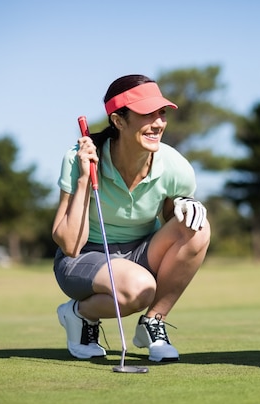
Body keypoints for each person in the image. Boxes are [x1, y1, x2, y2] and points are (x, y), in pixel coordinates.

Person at [52, 74, 210, 362]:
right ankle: (77, 313)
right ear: (118, 120)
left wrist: (183, 206)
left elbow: (170, 223)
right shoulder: (77, 157)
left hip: (139, 254)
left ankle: (153, 322)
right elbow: (69, 245)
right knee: (139, 289)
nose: (158, 122)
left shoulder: (176, 166)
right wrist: (85, 179)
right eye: (146, 114)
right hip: (82, 260)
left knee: (197, 227)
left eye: (161, 113)